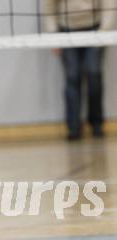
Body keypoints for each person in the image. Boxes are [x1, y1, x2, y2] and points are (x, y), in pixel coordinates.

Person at [45, 0, 115, 140]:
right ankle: (73, 127)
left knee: (94, 74)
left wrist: (103, 32)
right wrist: (53, 35)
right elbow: (49, 7)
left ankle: (96, 124)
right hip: (66, 30)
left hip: (95, 29)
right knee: (72, 77)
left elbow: (109, 5)